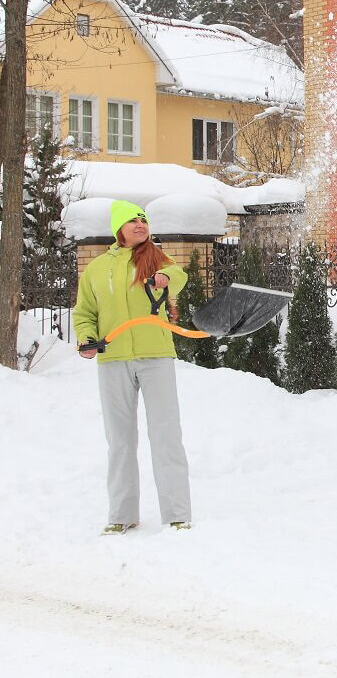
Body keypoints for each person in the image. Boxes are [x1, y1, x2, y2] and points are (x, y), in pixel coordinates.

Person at [74, 200, 192, 534]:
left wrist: (163, 278)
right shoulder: (97, 269)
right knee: (120, 439)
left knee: (166, 433)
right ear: (119, 228)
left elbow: (179, 275)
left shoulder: (158, 259)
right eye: (133, 220)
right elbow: (84, 312)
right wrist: (86, 337)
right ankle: (121, 515)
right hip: (113, 358)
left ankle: (178, 513)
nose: (141, 224)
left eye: (144, 219)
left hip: (155, 354)